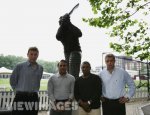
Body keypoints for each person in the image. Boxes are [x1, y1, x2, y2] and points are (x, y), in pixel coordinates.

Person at [10, 47, 43, 115]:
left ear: (38, 55)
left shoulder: (40, 68)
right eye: (31, 54)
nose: (33, 56)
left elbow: (38, 80)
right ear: (27, 54)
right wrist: (17, 92)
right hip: (21, 97)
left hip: (34, 97)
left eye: (35, 54)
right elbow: (12, 80)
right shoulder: (19, 66)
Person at [56, 13, 82, 78]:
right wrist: (63, 23)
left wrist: (69, 23)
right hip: (67, 52)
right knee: (69, 74)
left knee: (73, 74)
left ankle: (74, 87)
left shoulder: (71, 29)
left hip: (75, 51)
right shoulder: (61, 33)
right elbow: (57, 36)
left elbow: (79, 33)